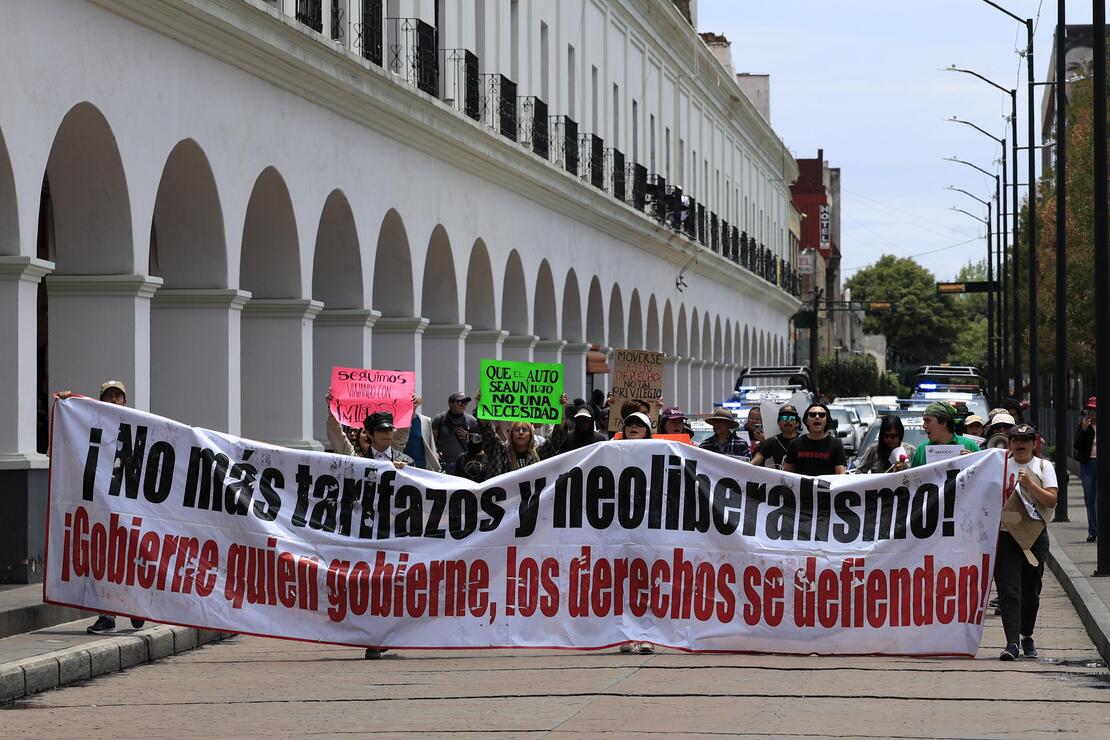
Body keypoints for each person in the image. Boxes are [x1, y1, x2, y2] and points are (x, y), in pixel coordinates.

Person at [54, 381, 147, 635]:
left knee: (129, 558)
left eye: (118, 396)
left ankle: (135, 607)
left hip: (128, 507)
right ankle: (108, 616)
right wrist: (69, 400)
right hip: (100, 505)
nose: (113, 399)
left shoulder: (138, 426)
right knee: (104, 559)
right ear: (101, 399)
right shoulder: (91, 422)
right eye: (109, 395)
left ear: (125, 401)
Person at [995, 424, 1057, 661]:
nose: (1020, 444)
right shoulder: (999, 466)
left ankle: (1027, 635)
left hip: (1034, 536)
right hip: (1005, 535)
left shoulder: (1043, 467)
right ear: (1009, 443)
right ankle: (1011, 643)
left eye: (1025, 440)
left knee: (1031, 590)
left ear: (1034, 444)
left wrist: (1031, 485)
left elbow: (1051, 501)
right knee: (1009, 590)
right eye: (1015, 440)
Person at [614, 411, 654, 654]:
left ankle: (647, 635)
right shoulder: (610, 451)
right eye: (630, 424)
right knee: (621, 580)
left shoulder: (660, 451)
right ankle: (626, 635)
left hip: (649, 524)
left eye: (640, 424)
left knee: (646, 580)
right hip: (618, 525)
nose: (634, 427)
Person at [476, 393, 569, 477]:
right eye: (516, 430)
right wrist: (482, 405)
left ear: (531, 434)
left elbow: (557, 439)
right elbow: (487, 433)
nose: (521, 433)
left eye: (525, 430)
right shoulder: (500, 452)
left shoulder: (540, 453)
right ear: (511, 434)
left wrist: (561, 410)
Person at [782, 403, 847, 476]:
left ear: (826, 421)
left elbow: (840, 474)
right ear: (806, 421)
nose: (817, 417)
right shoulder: (795, 444)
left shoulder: (836, 444)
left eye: (821, 415)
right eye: (812, 415)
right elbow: (786, 475)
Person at [910, 402, 981, 467]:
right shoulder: (921, 450)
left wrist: (973, 462)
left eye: (928, 421)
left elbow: (985, 475)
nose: (924, 426)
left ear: (943, 422)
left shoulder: (971, 446)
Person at [432, 392, 478, 474]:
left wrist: (469, 436)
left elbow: (479, 442)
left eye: (465, 403)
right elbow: (432, 441)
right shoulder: (440, 419)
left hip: (465, 464)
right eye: (460, 403)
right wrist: (435, 454)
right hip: (444, 465)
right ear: (451, 403)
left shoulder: (472, 421)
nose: (463, 405)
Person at [396, 396, 442, 472]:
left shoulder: (424, 421)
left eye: (413, 402)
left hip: (421, 467)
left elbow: (430, 445)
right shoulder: (396, 421)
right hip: (402, 466)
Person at [1074, 396, 1098, 543]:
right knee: (1089, 499)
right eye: (1090, 409)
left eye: (1095, 410)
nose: (1092, 413)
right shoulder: (1084, 425)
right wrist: (1083, 430)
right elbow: (1076, 444)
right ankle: (1092, 531)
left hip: (1102, 464)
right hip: (1087, 464)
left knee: (1101, 499)